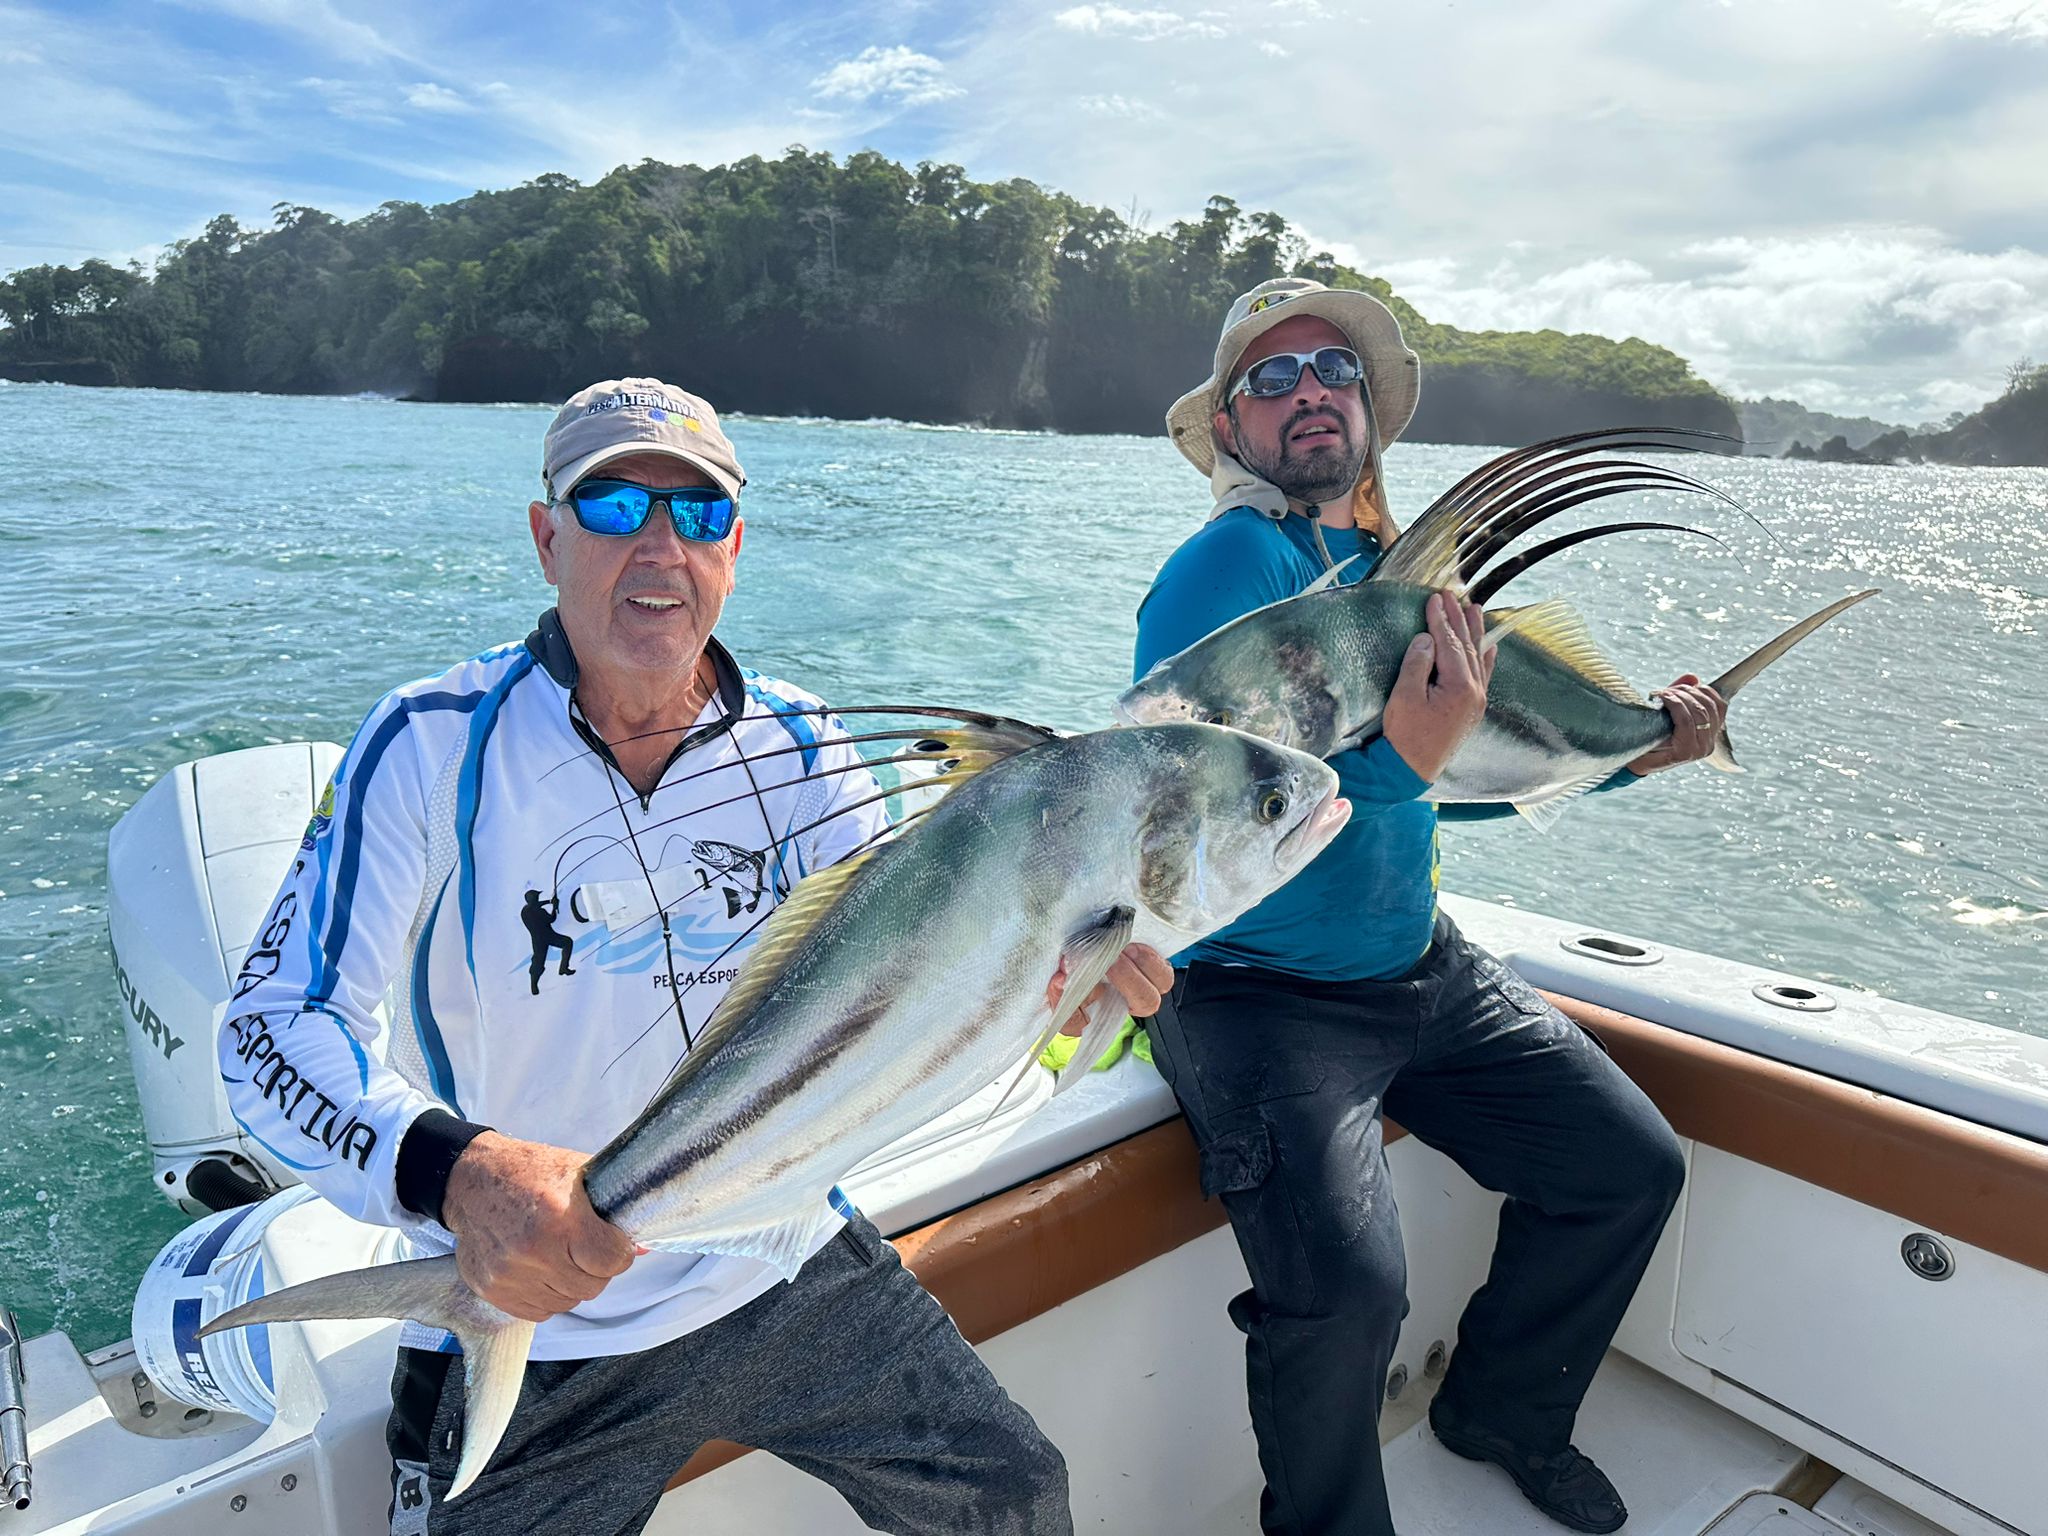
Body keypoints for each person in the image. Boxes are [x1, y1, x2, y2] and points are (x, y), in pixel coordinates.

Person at [220, 377, 1171, 1536]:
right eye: (615, 507)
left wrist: (1054, 999)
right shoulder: (429, 744)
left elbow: (911, 976)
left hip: (780, 1262)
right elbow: (270, 1025)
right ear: (544, 538)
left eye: (699, 514)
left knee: (1013, 1496)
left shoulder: (810, 745)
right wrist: (455, 1173)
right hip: (541, 1299)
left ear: (734, 547)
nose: (659, 546)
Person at [1135, 280, 1728, 1536]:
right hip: (1253, 994)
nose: (1308, 396)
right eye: (1272, 379)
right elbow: (1190, 807)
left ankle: (1503, 1411)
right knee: (1346, 1294)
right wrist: (1401, 759)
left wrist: (1626, 757)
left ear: (1370, 413)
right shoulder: (1220, 570)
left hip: (1419, 971)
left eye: (1333, 374)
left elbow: (1440, 785)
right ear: (1230, 427)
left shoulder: (1386, 568)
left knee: (1625, 1169)